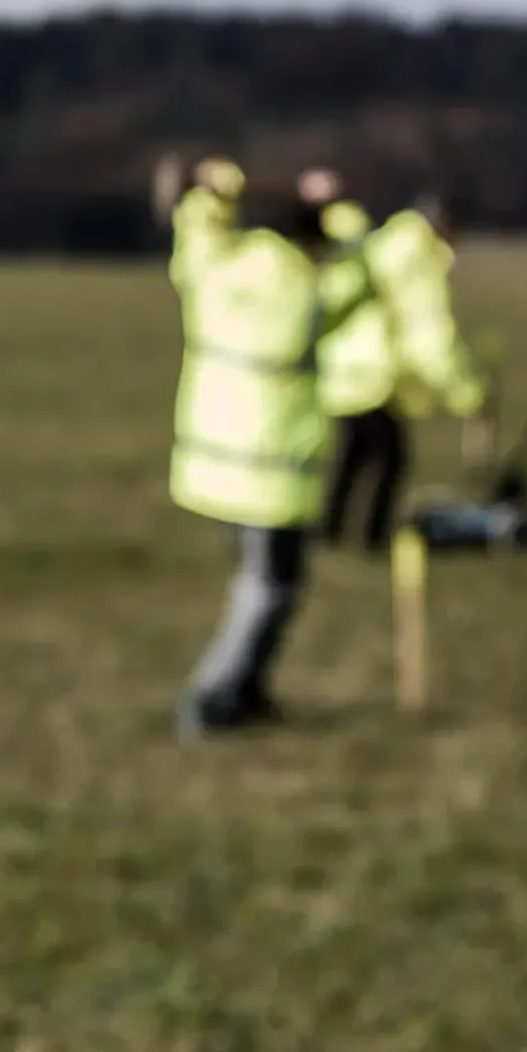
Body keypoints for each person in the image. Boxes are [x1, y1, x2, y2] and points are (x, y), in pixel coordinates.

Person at [153, 153, 330, 736]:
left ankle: (248, 691)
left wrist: (217, 188)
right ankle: (213, 699)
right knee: (272, 588)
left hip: (212, 464)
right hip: (274, 471)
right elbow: (368, 270)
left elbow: (195, 229)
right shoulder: (309, 284)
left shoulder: (218, 266)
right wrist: (335, 207)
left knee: (258, 582)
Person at [311, 177, 492, 549]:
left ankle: (330, 530)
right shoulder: (416, 257)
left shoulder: (387, 241)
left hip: (344, 367)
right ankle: (372, 536)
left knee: (354, 454)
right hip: (376, 372)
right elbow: (431, 336)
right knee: (391, 459)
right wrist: (467, 392)